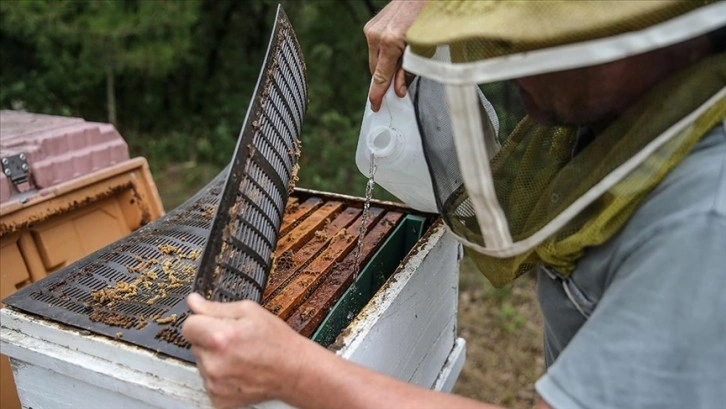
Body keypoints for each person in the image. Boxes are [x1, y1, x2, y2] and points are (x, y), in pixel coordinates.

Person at [182, 1, 726, 408]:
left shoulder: (704, 221)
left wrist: (292, 370)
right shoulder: (631, 106)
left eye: (530, 32)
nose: (506, 58)